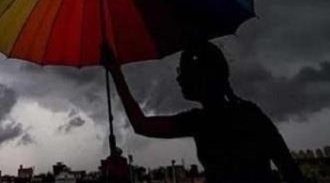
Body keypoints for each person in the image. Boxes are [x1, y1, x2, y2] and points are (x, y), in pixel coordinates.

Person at [101, 41, 305, 183]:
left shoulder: (201, 121)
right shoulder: (250, 114)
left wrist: (116, 73)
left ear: (202, 78)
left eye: (183, 72)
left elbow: (141, 125)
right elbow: (290, 170)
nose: (179, 79)